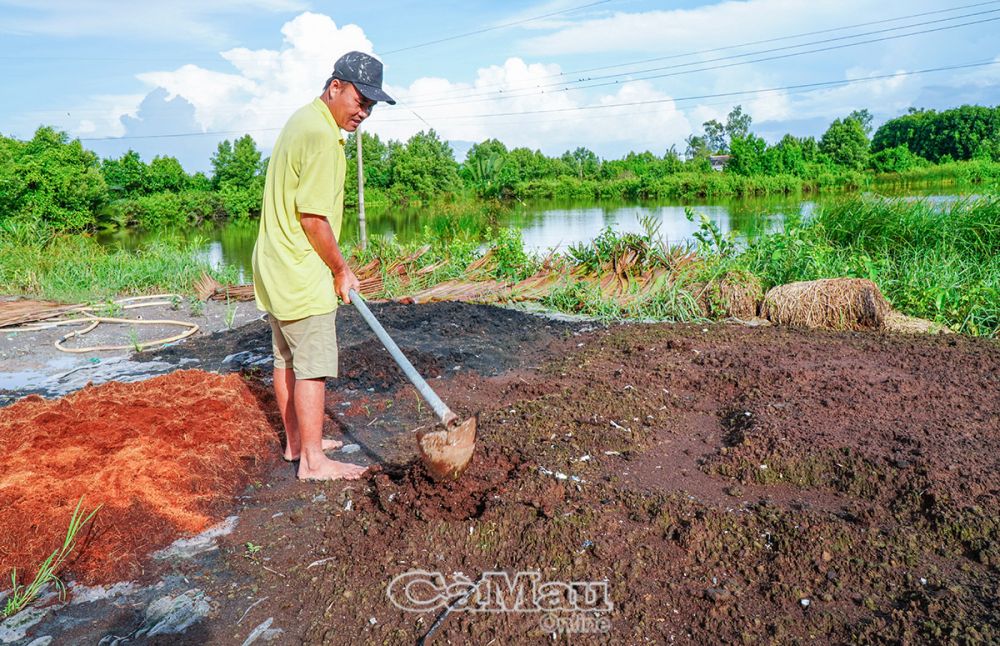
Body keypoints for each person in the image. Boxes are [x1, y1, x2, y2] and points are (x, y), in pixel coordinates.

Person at [252, 51, 395, 481]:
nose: (364, 112)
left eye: (371, 105)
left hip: (274, 262)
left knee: (286, 359)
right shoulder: (321, 136)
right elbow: (314, 217)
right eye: (359, 100)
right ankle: (313, 462)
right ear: (335, 87)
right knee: (311, 364)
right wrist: (339, 269)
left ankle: (297, 443)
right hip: (300, 267)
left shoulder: (303, 119)